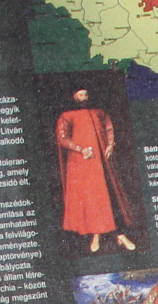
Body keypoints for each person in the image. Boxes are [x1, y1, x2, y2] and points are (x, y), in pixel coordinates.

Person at [54, 86, 140, 254]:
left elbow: (108, 127)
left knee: (111, 195)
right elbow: (62, 138)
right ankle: (96, 235)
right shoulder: (66, 116)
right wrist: (80, 149)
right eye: (80, 94)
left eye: (86, 94)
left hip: (103, 162)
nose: (84, 97)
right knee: (92, 199)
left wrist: (110, 144)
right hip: (83, 164)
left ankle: (120, 235)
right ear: (74, 96)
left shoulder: (99, 112)